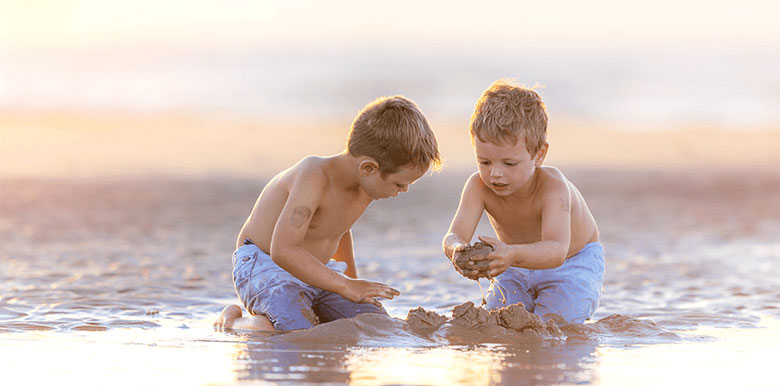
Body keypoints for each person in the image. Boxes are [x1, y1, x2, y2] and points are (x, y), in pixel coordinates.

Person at [214, 95, 441, 331]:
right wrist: (344, 286)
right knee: (293, 330)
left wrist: (352, 285)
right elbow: (283, 250)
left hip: (312, 269)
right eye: (399, 184)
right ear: (368, 168)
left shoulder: (365, 188)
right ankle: (233, 322)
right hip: (264, 264)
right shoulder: (313, 176)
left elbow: (339, 230)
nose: (404, 190)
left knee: (372, 324)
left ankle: (310, 305)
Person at [442, 80, 604, 325]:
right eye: (485, 162)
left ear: (539, 155)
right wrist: (457, 251)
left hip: (571, 262)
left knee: (554, 321)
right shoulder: (478, 187)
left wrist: (511, 253)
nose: (495, 174)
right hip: (515, 263)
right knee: (498, 319)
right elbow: (454, 235)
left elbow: (556, 250)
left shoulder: (553, 187)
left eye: (509, 164)